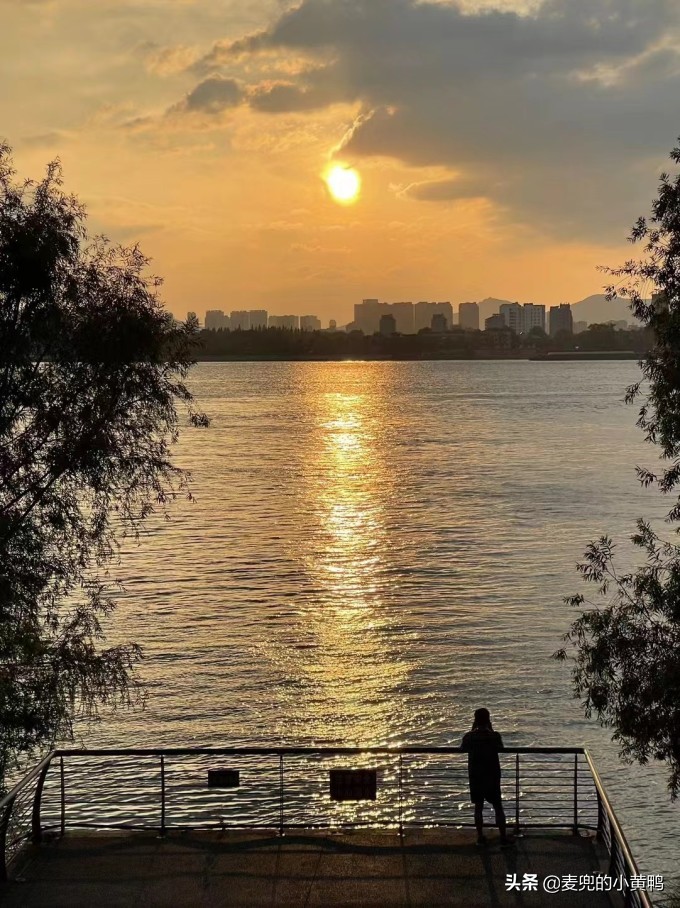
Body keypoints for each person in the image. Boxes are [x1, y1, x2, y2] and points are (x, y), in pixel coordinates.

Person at [461, 707, 514, 846]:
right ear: (489, 719)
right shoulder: (494, 736)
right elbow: (501, 748)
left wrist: (472, 730)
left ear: (475, 720)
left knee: (478, 807)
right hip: (492, 775)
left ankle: (480, 837)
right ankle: (503, 837)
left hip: (476, 775)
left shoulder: (470, 736)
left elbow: (462, 748)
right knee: (498, 807)